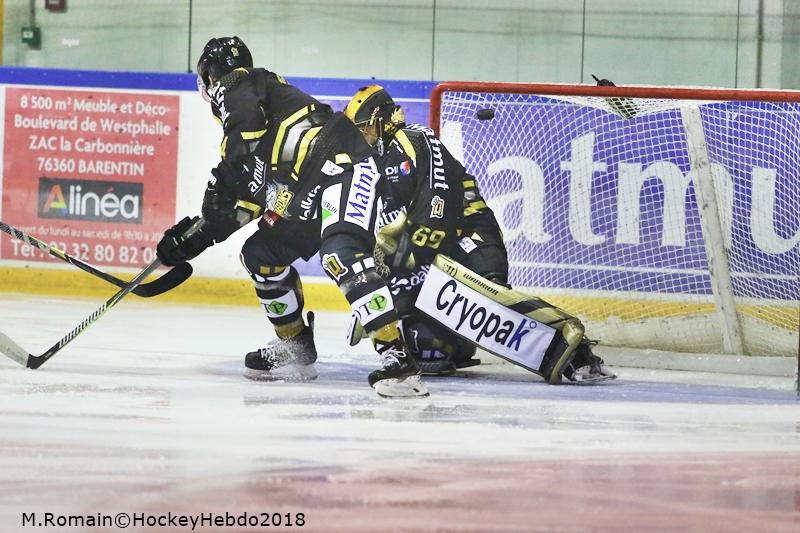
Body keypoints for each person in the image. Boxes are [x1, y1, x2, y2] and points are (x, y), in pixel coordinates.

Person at [156, 37, 427, 397]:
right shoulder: (254, 138)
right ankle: (296, 345)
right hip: (306, 189)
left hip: (342, 165)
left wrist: (224, 176)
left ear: (210, 75)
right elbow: (245, 202)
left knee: (340, 253)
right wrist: (193, 238)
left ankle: (398, 360)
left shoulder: (238, 83)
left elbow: (241, 142)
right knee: (260, 255)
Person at [343, 85, 615, 383]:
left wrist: (402, 260)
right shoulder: (378, 163)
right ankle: (454, 346)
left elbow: (437, 206)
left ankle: (579, 356)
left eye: (365, 129)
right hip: (435, 247)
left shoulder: (414, 140)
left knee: (487, 300)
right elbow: (390, 228)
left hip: (469, 235)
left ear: (383, 120)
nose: (362, 138)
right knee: (420, 341)